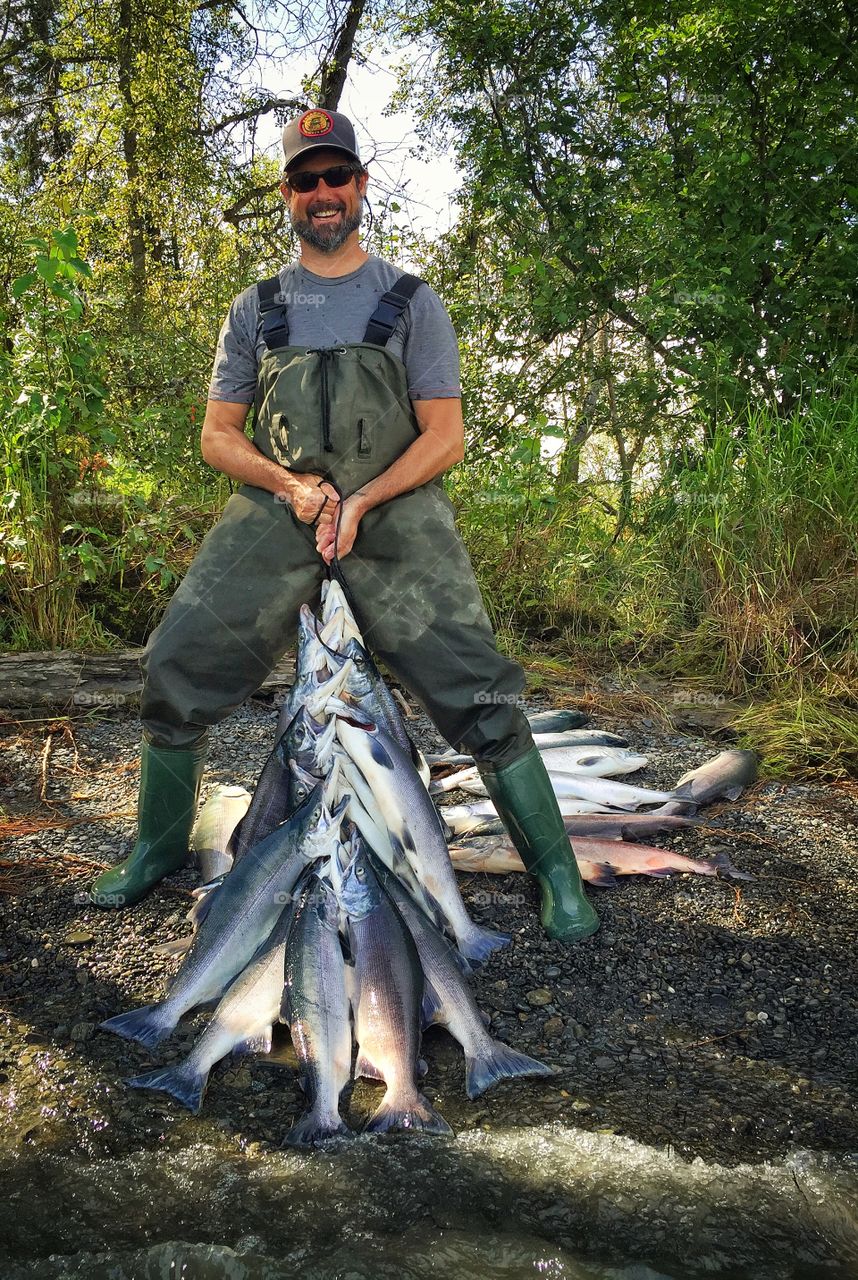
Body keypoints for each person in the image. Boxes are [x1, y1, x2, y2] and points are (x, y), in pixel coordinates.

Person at [89, 108, 599, 943]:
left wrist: (363, 500)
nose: (321, 193)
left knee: (482, 680)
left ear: (360, 186)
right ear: (286, 195)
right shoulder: (255, 308)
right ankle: (155, 847)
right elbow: (218, 435)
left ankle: (557, 875)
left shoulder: (410, 302)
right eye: (304, 180)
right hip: (281, 505)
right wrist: (292, 488)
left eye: (336, 176)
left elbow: (445, 435)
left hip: (394, 505)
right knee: (179, 658)